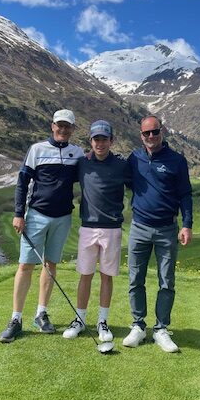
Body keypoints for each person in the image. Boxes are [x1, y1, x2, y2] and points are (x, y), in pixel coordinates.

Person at [0, 109, 84, 343]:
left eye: (67, 126)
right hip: (36, 215)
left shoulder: (77, 153)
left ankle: (41, 314)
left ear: (73, 129)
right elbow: (22, 182)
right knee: (25, 265)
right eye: (59, 125)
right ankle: (16, 319)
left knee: (50, 264)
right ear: (52, 126)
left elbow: (90, 177)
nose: (63, 129)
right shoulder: (37, 149)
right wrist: (19, 214)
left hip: (63, 217)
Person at [122, 115, 193, 353]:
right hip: (139, 227)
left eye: (155, 131)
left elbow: (185, 194)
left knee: (166, 281)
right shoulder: (134, 159)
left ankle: (161, 329)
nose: (151, 136)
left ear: (162, 132)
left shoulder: (177, 160)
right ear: (141, 135)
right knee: (135, 278)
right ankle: (138, 325)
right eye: (146, 133)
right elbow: (124, 181)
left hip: (167, 229)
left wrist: (187, 225)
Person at [62, 120, 131, 343]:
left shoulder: (121, 165)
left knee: (106, 276)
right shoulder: (82, 163)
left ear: (111, 140)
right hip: (88, 227)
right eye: (96, 139)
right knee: (85, 275)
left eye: (104, 139)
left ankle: (102, 321)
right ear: (90, 141)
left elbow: (139, 186)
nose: (100, 144)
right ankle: (80, 319)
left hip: (112, 228)